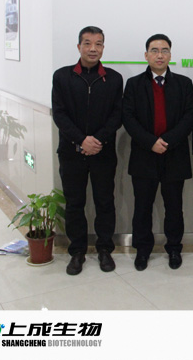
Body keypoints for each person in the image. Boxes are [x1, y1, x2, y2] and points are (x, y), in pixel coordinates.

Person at [52, 26, 123, 275]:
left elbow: (117, 115)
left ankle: (104, 249)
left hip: (103, 152)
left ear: (103, 47)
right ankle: (77, 252)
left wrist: (97, 141)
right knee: (75, 203)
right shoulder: (62, 76)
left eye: (98, 44)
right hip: (71, 152)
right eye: (87, 43)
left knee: (105, 202)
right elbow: (59, 114)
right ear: (79, 46)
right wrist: (82, 140)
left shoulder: (113, 78)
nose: (93, 49)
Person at [122, 34, 193, 271]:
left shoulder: (184, 84)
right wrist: (151, 142)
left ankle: (174, 248)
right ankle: (142, 250)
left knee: (174, 207)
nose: (160, 55)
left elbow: (190, 116)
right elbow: (128, 118)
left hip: (174, 155)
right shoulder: (134, 84)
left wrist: (168, 141)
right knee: (142, 207)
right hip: (144, 155)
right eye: (154, 50)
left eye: (164, 50)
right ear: (146, 55)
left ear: (170, 55)